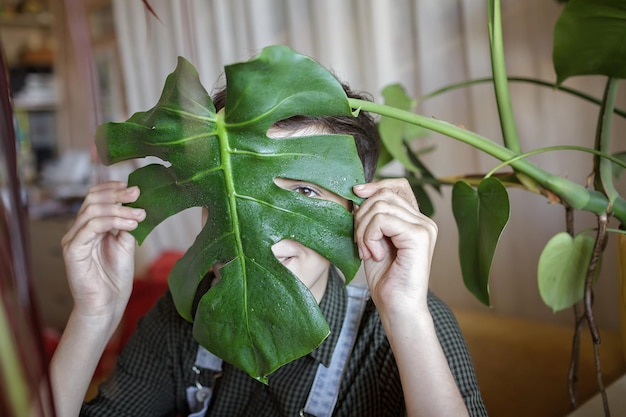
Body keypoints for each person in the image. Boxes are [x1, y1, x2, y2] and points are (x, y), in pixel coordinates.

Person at [50, 81, 487, 416]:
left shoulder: (392, 327)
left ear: (358, 212)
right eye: (229, 191)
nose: (266, 230)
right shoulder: (183, 317)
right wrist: (94, 315)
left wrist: (405, 317)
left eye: (303, 191)